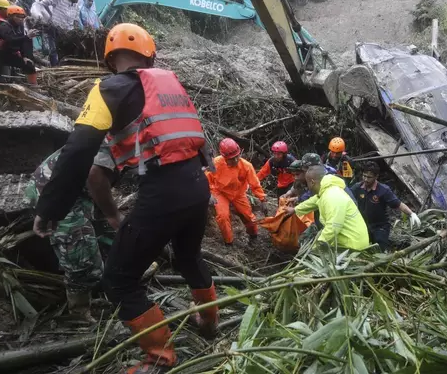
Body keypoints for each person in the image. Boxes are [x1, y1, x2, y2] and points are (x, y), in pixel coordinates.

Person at [31, 23, 218, 373]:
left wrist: (51, 207)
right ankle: (209, 323)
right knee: (189, 258)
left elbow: (78, 151)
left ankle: (160, 358)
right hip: (197, 185)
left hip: (162, 194)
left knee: (118, 279)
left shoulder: (107, 89)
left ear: (109, 58)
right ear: (151, 53)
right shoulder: (170, 85)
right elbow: (194, 139)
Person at [24, 145, 121, 322]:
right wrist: (112, 214)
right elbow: (94, 173)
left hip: (79, 190)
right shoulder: (121, 140)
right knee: (81, 256)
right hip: (54, 194)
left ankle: (101, 283)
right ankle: (79, 311)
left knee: (105, 236)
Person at [291, 165, 368, 250]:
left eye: (308, 182)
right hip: (346, 239)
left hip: (352, 245)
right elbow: (315, 199)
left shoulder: (332, 196)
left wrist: (314, 247)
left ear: (312, 182)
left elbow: (332, 228)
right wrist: (295, 209)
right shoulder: (327, 189)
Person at [206, 138, 268, 245]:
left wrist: (263, 199)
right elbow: (206, 179)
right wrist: (208, 194)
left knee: (248, 216)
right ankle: (228, 242)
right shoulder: (216, 163)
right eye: (231, 159)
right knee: (223, 216)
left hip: (238, 193)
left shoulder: (246, 166)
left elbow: (255, 184)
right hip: (220, 192)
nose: (235, 160)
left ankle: (253, 236)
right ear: (224, 157)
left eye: (236, 157)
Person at [351, 162, 421, 252]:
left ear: (376, 177)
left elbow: (398, 204)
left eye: (369, 177)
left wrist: (411, 214)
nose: (365, 179)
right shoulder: (358, 187)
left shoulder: (383, 190)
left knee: (380, 250)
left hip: (380, 227)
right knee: (363, 249)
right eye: (364, 176)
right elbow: (346, 197)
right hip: (363, 225)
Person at [0, 5, 39, 84]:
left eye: (22, 17)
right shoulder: (3, 26)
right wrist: (27, 37)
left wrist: (24, 56)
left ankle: (34, 86)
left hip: (8, 54)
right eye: (18, 17)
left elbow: (21, 42)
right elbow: (11, 40)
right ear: (10, 16)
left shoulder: (20, 26)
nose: (20, 19)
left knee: (29, 65)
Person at [39, 0, 81, 65]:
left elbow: (76, 19)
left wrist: (76, 29)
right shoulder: (59, 0)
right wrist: (47, 16)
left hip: (67, 33)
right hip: (55, 29)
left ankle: (65, 65)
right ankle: (55, 67)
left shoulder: (76, 6)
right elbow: (42, 3)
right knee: (53, 49)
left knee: (65, 49)